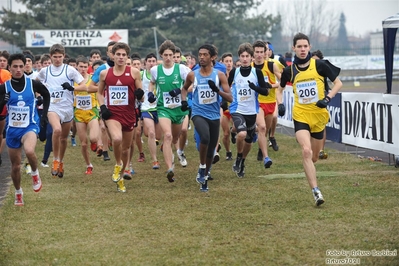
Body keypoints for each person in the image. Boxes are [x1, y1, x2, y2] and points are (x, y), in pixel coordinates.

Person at [276, 33, 342, 206]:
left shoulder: (320, 65)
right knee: (306, 151)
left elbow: (338, 83)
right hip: (301, 115)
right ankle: (316, 192)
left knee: (313, 157)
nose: (303, 49)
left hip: (319, 116)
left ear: (310, 47)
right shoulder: (290, 71)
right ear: (294, 48)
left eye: (305, 46)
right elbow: (279, 89)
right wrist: (280, 103)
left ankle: (310, 166)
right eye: (299, 46)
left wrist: (327, 99)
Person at [0, 53, 50, 206]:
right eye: (15, 66)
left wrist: (44, 115)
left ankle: (35, 173)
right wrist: (3, 101)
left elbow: (47, 94)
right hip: (13, 130)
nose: (18, 70)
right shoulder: (4, 87)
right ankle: (18, 192)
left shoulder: (32, 84)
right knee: (15, 167)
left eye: (21, 66)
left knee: (29, 151)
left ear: (25, 67)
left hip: (29, 126)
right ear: (9, 68)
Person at [181, 44, 232, 192]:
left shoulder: (219, 75)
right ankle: (202, 166)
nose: (201, 57)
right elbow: (184, 89)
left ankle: (205, 173)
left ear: (212, 57)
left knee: (211, 150)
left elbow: (230, 97)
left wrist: (217, 91)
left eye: (205, 55)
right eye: (200, 54)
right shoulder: (193, 75)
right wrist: (184, 101)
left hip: (214, 114)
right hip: (198, 113)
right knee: (205, 137)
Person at [97, 42, 143, 193]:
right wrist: (103, 107)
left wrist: (140, 95)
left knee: (126, 148)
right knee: (116, 139)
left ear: (127, 57)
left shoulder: (134, 72)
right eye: (118, 54)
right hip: (112, 114)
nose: (121, 57)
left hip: (129, 113)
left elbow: (141, 96)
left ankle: (121, 177)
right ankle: (118, 165)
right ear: (113, 56)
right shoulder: (106, 73)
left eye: (124, 55)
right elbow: (99, 93)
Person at [36, 43, 87, 178]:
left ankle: (61, 162)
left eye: (60, 57)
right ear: (51, 56)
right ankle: (55, 160)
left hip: (67, 108)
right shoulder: (45, 71)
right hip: (52, 106)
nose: (57, 59)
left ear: (63, 56)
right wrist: (39, 96)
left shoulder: (69, 70)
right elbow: (35, 84)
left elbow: (84, 85)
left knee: (64, 138)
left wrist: (73, 88)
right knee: (56, 130)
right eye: (55, 57)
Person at [148, 40, 191, 182]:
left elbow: (192, 86)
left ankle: (177, 153)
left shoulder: (182, 69)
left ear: (174, 55)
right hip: (163, 108)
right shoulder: (155, 70)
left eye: (170, 55)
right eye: (165, 55)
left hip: (179, 109)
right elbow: (152, 82)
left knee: (175, 138)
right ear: (161, 55)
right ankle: (169, 168)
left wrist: (179, 90)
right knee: (167, 136)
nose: (167, 57)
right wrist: (150, 93)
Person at [228, 43, 271, 178]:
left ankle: (242, 160)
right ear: (239, 58)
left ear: (252, 58)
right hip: (237, 108)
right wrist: (224, 100)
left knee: (248, 140)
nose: (245, 59)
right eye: (242, 56)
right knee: (241, 134)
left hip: (252, 110)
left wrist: (255, 88)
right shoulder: (235, 72)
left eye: (247, 56)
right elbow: (226, 87)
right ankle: (239, 157)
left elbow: (265, 91)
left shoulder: (256, 72)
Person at [252, 40, 282, 166]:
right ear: (253, 54)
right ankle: (266, 157)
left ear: (265, 53)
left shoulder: (271, 66)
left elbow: (283, 82)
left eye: (261, 52)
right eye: (257, 52)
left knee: (266, 128)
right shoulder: (250, 67)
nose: (259, 55)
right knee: (262, 127)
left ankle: (261, 148)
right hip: (257, 102)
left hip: (270, 101)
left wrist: (271, 85)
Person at [73, 56, 100, 174]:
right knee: (83, 144)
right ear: (77, 67)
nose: (83, 69)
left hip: (92, 112)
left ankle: (96, 143)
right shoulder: (72, 80)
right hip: (79, 113)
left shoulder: (93, 79)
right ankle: (89, 165)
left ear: (88, 67)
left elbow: (100, 90)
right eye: (81, 67)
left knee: (93, 138)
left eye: (85, 67)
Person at [140, 53, 162, 169]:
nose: (152, 63)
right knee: (151, 133)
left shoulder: (160, 74)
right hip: (146, 107)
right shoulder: (141, 74)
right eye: (149, 61)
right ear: (145, 63)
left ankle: (157, 142)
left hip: (159, 107)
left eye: (154, 61)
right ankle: (155, 160)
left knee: (158, 135)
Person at [311, 50, 330, 160]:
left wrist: (326, 97)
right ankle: (311, 148)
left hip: (320, 101)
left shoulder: (322, 70)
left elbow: (327, 84)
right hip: (307, 105)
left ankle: (321, 150)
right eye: (313, 60)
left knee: (322, 125)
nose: (315, 63)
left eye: (317, 61)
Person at [0, 50, 12, 167]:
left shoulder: (8, 74)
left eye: (4, 60)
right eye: (0, 60)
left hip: (5, 108)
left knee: (2, 133)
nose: (2, 62)